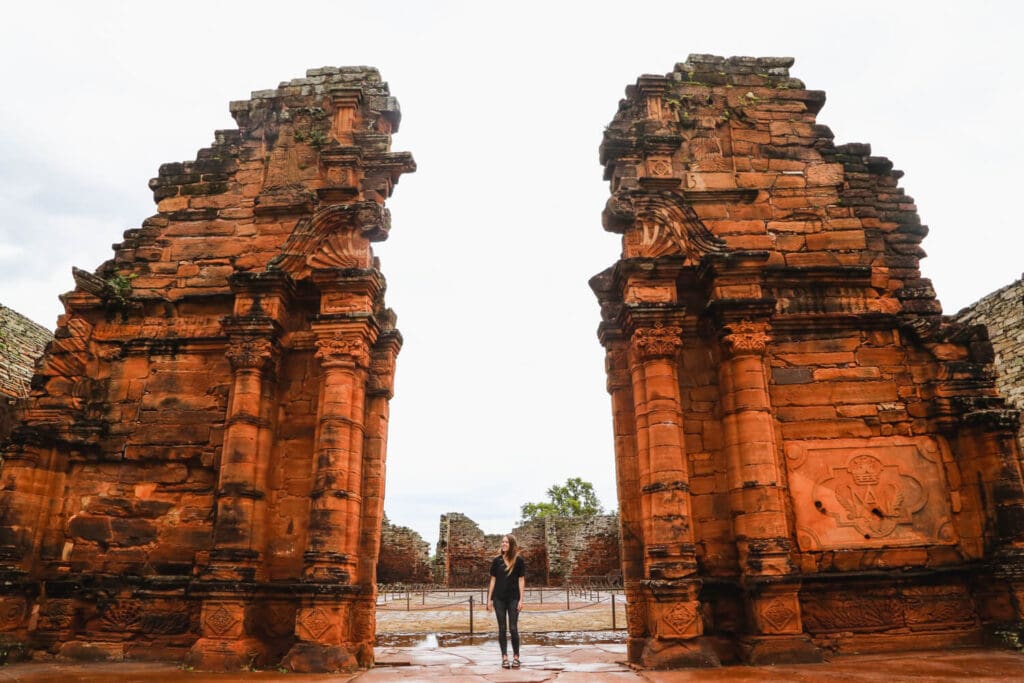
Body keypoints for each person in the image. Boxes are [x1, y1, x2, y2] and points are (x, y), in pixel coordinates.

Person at [486, 534, 525, 669]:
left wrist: (521, 599)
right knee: (502, 629)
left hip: (513, 598)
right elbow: (493, 580)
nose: (503, 544)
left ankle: (516, 657)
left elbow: (521, 580)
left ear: (512, 544)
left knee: (513, 628)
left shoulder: (518, 560)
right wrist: (489, 600)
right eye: (502, 542)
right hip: (499, 599)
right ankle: (504, 657)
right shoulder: (496, 561)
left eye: (506, 542)